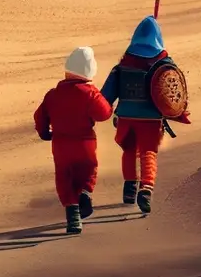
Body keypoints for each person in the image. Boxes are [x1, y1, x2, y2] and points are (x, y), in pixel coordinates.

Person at [101, 16, 190, 214]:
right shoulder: (164, 62)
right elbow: (173, 89)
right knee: (148, 152)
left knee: (129, 151)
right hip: (151, 119)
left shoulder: (123, 64)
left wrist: (97, 111)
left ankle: (129, 189)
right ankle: (146, 190)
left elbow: (106, 96)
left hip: (126, 117)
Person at [34, 46, 113, 235]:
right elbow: (104, 114)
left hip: (61, 144)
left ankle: (72, 213)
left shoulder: (52, 95)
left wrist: (44, 133)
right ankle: (85, 193)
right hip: (85, 142)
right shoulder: (90, 93)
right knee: (88, 170)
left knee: (64, 177)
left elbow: (40, 116)